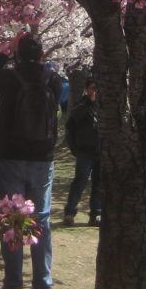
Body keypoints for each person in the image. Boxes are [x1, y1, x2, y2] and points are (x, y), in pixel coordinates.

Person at [0, 32, 63, 289]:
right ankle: (43, 283)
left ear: (17, 54)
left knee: (12, 219)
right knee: (41, 218)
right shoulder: (53, 78)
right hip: (42, 158)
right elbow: (61, 97)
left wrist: (4, 53)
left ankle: (12, 283)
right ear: (42, 55)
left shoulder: (8, 78)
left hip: (10, 156)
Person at [63, 79, 101, 227]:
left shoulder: (104, 107)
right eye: (92, 88)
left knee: (99, 183)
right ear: (87, 89)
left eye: (97, 88)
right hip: (85, 152)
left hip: (100, 152)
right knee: (80, 182)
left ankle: (96, 213)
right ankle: (69, 212)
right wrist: (75, 149)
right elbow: (70, 128)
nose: (95, 91)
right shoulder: (80, 107)